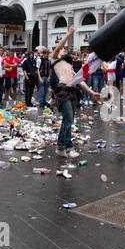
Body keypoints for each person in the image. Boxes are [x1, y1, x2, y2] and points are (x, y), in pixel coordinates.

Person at [51, 25, 100, 158]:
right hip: (63, 91)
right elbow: (58, 48)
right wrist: (69, 34)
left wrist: (92, 92)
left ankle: (61, 147)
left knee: (69, 120)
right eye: (63, 50)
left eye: (65, 50)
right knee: (68, 118)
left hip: (72, 92)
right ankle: (67, 146)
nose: (63, 50)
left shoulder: (69, 66)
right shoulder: (55, 59)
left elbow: (79, 80)